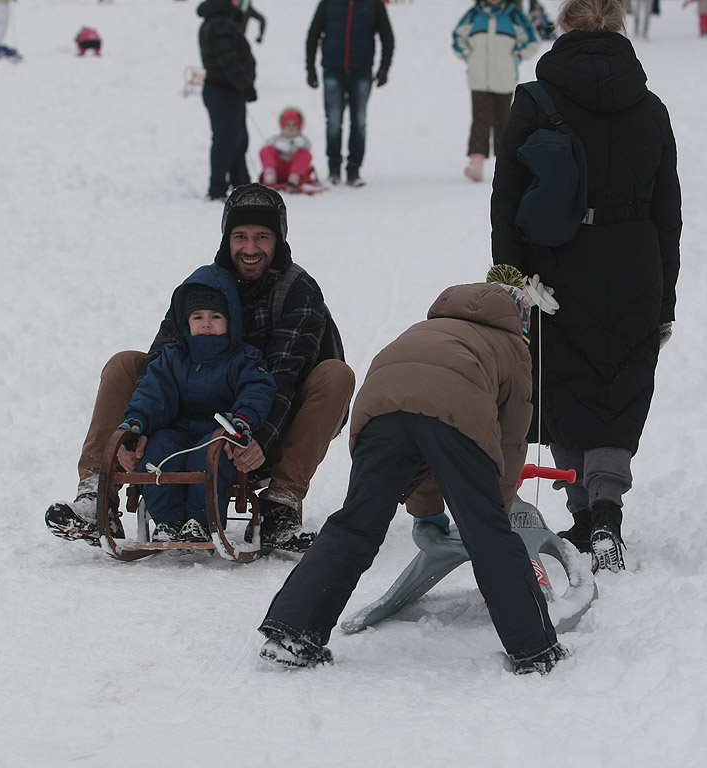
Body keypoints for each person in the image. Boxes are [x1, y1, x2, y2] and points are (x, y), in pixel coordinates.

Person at [257, 277, 566, 675]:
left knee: (355, 525)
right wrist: (495, 509)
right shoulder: (511, 346)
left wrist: (428, 513)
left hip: (379, 410)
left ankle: (292, 633)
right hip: (457, 410)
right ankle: (534, 649)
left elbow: (418, 441)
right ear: (519, 318)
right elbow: (508, 442)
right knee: (488, 534)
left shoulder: (427, 328)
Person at [44, 183, 355, 551]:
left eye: (262, 237)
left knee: (336, 375)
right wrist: (137, 430)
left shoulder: (297, 291)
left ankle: (281, 506)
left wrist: (254, 441)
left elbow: (280, 378)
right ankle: (98, 495)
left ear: (279, 240)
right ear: (227, 239)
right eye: (240, 236)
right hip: (190, 421)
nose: (250, 248)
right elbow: (162, 357)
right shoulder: (204, 286)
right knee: (125, 364)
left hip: (270, 424)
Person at [490, 0, 682, 572]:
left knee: (565, 380)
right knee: (619, 385)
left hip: (556, 261)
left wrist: (509, 279)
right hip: (634, 257)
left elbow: (507, 198)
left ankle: (581, 512)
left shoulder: (535, 99)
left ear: (563, 26)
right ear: (620, 26)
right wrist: (665, 296)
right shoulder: (650, 108)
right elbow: (668, 211)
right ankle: (605, 515)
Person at [117, 265, 276, 543]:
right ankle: (168, 521)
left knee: (208, 458)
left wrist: (243, 420)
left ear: (231, 320)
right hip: (177, 430)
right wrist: (137, 421)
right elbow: (153, 393)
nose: (206, 323)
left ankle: (202, 522)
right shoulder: (173, 357)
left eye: (215, 316)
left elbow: (256, 390)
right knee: (157, 453)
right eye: (197, 316)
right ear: (185, 322)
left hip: (219, 433)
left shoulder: (244, 358)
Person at [305, 0, 395, 187]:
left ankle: (354, 168)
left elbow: (388, 37)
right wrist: (310, 68)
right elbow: (313, 34)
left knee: (359, 122)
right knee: (334, 122)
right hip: (333, 70)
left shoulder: (373, 4)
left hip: (361, 71)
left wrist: (384, 68)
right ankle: (334, 168)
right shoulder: (329, 3)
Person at [452, 0, 539, 183]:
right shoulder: (474, 15)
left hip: (504, 78)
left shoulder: (514, 16)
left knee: (504, 121)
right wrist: (468, 56)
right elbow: (457, 37)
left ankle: (506, 166)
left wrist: (516, 58)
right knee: (480, 119)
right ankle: (476, 163)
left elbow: (532, 40)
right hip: (479, 79)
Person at [198, 0, 258, 201]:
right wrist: (245, 84)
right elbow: (227, 59)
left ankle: (241, 183)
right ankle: (217, 187)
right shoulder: (220, 24)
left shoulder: (221, 21)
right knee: (227, 140)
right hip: (224, 91)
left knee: (238, 139)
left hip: (228, 90)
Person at [259, 108, 315, 189]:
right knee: (267, 150)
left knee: (305, 153)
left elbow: (308, 146)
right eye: (288, 124)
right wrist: (276, 146)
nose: (291, 127)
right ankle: (270, 176)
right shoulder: (276, 138)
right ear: (283, 125)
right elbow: (265, 150)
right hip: (278, 169)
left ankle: (294, 178)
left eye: (294, 125)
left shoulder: (302, 140)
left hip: (293, 169)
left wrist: (301, 145)